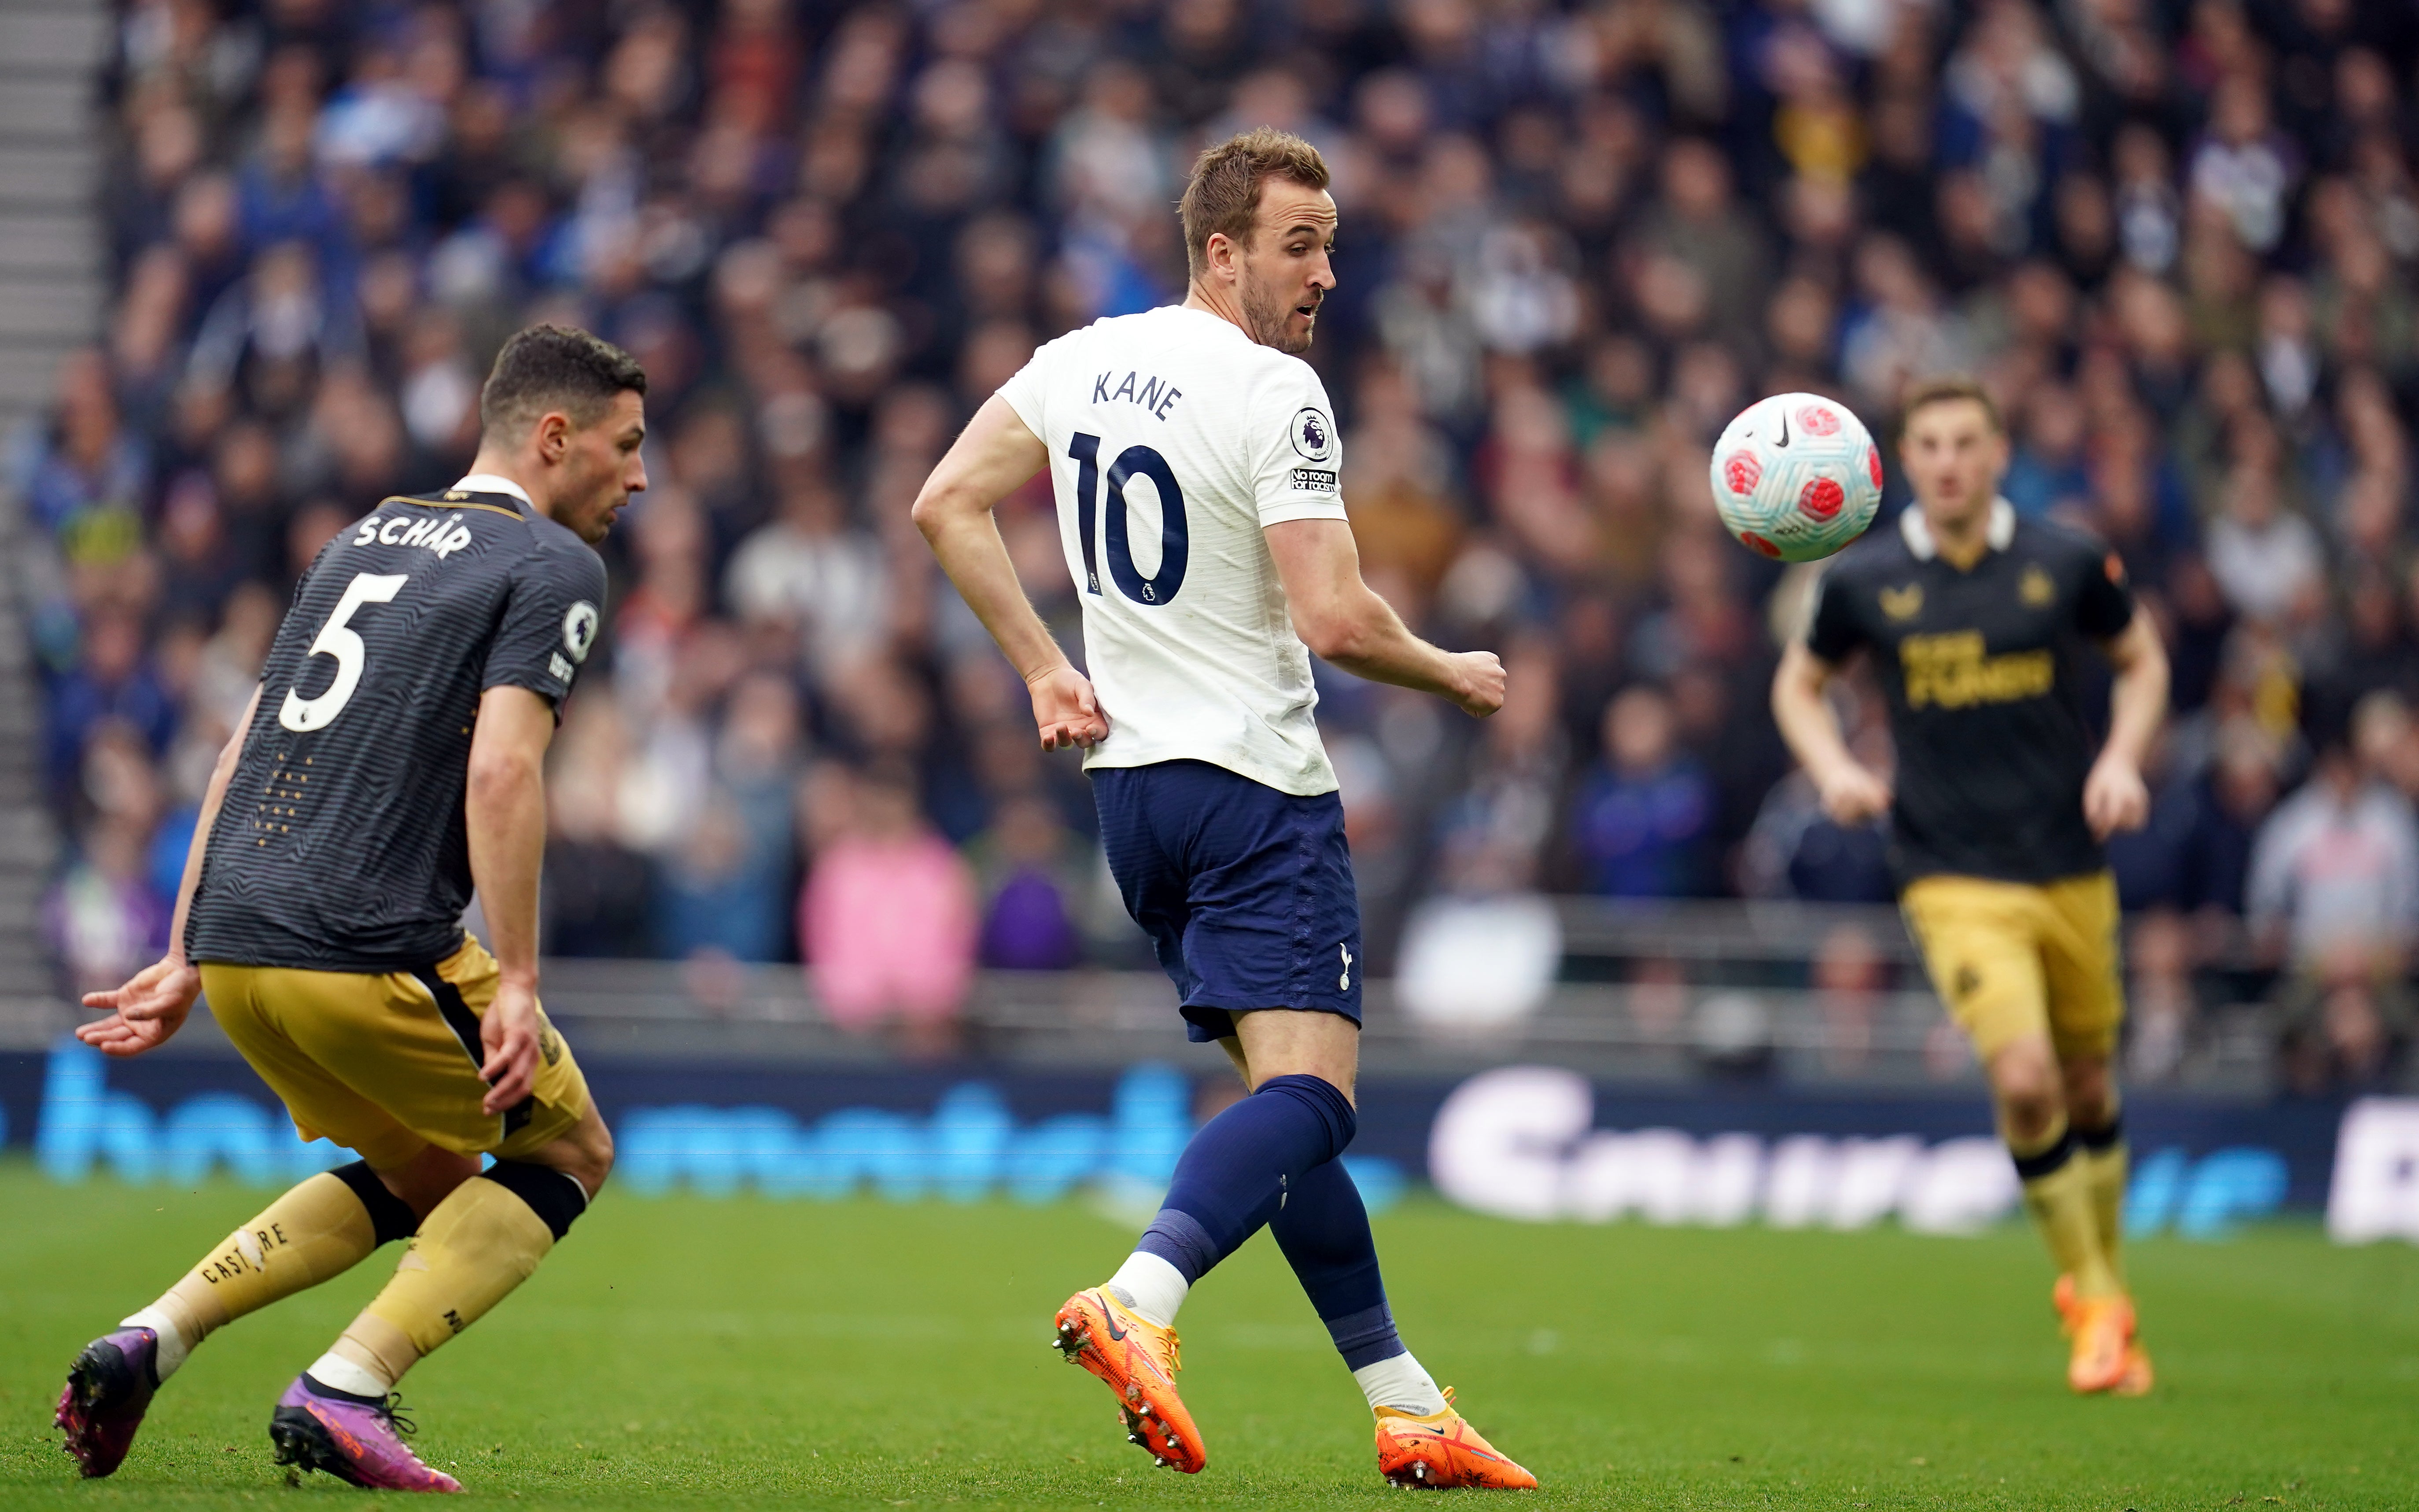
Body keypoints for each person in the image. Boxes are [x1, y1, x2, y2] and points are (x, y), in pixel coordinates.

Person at [912, 128, 1533, 1489]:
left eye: (1330, 245)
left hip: (1135, 798)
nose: (1322, 274)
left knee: (1278, 1109)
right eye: (1296, 245)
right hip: (1256, 788)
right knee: (1313, 1102)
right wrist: (1449, 673)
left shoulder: (1077, 360)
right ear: (1219, 250)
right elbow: (1331, 616)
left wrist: (1041, 669)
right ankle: (1139, 1296)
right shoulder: (1274, 393)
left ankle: (1405, 1400)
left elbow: (946, 503)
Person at [56, 325, 645, 1491]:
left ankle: (150, 1335)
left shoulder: (363, 532)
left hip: (238, 949)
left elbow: (238, 753)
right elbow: (502, 771)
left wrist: (182, 950)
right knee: (569, 1150)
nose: (639, 477)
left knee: (426, 1166)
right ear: (554, 436)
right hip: (361, 945)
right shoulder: (550, 566)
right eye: (625, 447)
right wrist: (517, 978)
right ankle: (346, 1385)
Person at [1770, 376, 2170, 1396]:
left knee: (2087, 1083)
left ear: (1996, 454)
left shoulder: (2064, 560)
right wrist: (1834, 771)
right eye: (1930, 445)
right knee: (2027, 1077)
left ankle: (2103, 1292)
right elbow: (1797, 685)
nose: (1947, 461)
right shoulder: (1864, 581)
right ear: (1905, 462)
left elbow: (2141, 659)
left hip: (2069, 865)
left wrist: (2122, 757)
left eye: (1964, 443)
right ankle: (2088, 1289)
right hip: (1947, 873)